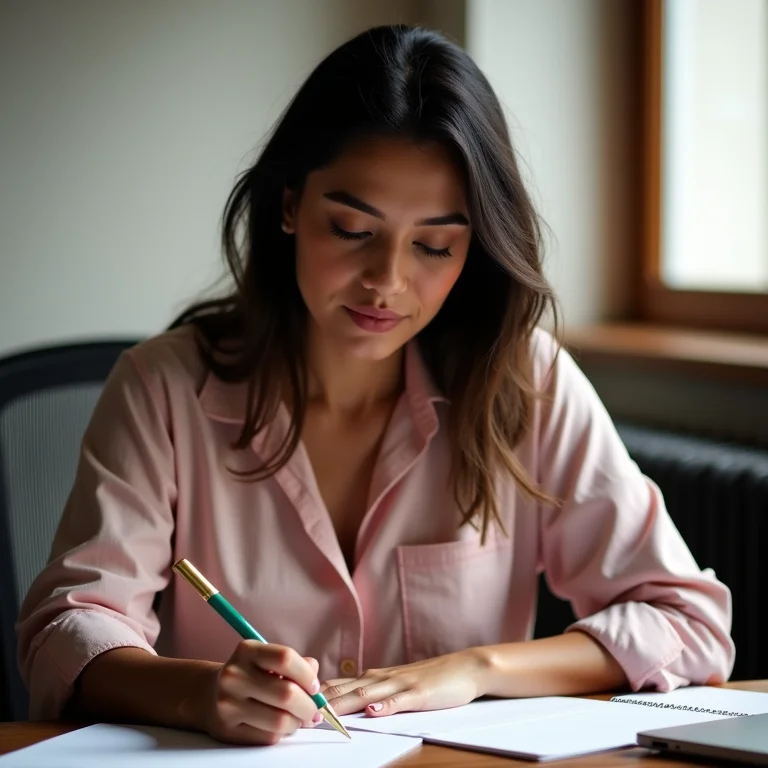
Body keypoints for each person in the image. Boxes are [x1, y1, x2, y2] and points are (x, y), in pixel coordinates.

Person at [17, 24, 733, 747]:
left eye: (434, 245)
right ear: (290, 205)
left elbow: (687, 621)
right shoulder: (163, 388)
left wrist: (477, 668)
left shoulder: (524, 382)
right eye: (352, 229)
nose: (387, 281)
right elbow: (68, 630)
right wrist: (198, 692)